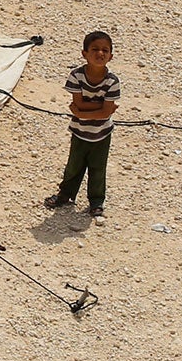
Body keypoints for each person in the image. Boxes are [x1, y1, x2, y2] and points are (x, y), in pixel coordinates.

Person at [44, 30, 120, 220]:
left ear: (111, 56)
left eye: (105, 50)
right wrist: (100, 108)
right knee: (73, 166)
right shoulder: (76, 76)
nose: (100, 53)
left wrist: (80, 113)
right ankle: (65, 195)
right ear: (84, 53)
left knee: (98, 168)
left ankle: (96, 203)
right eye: (94, 49)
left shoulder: (112, 81)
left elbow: (82, 107)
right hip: (79, 132)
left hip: (102, 133)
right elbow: (101, 109)